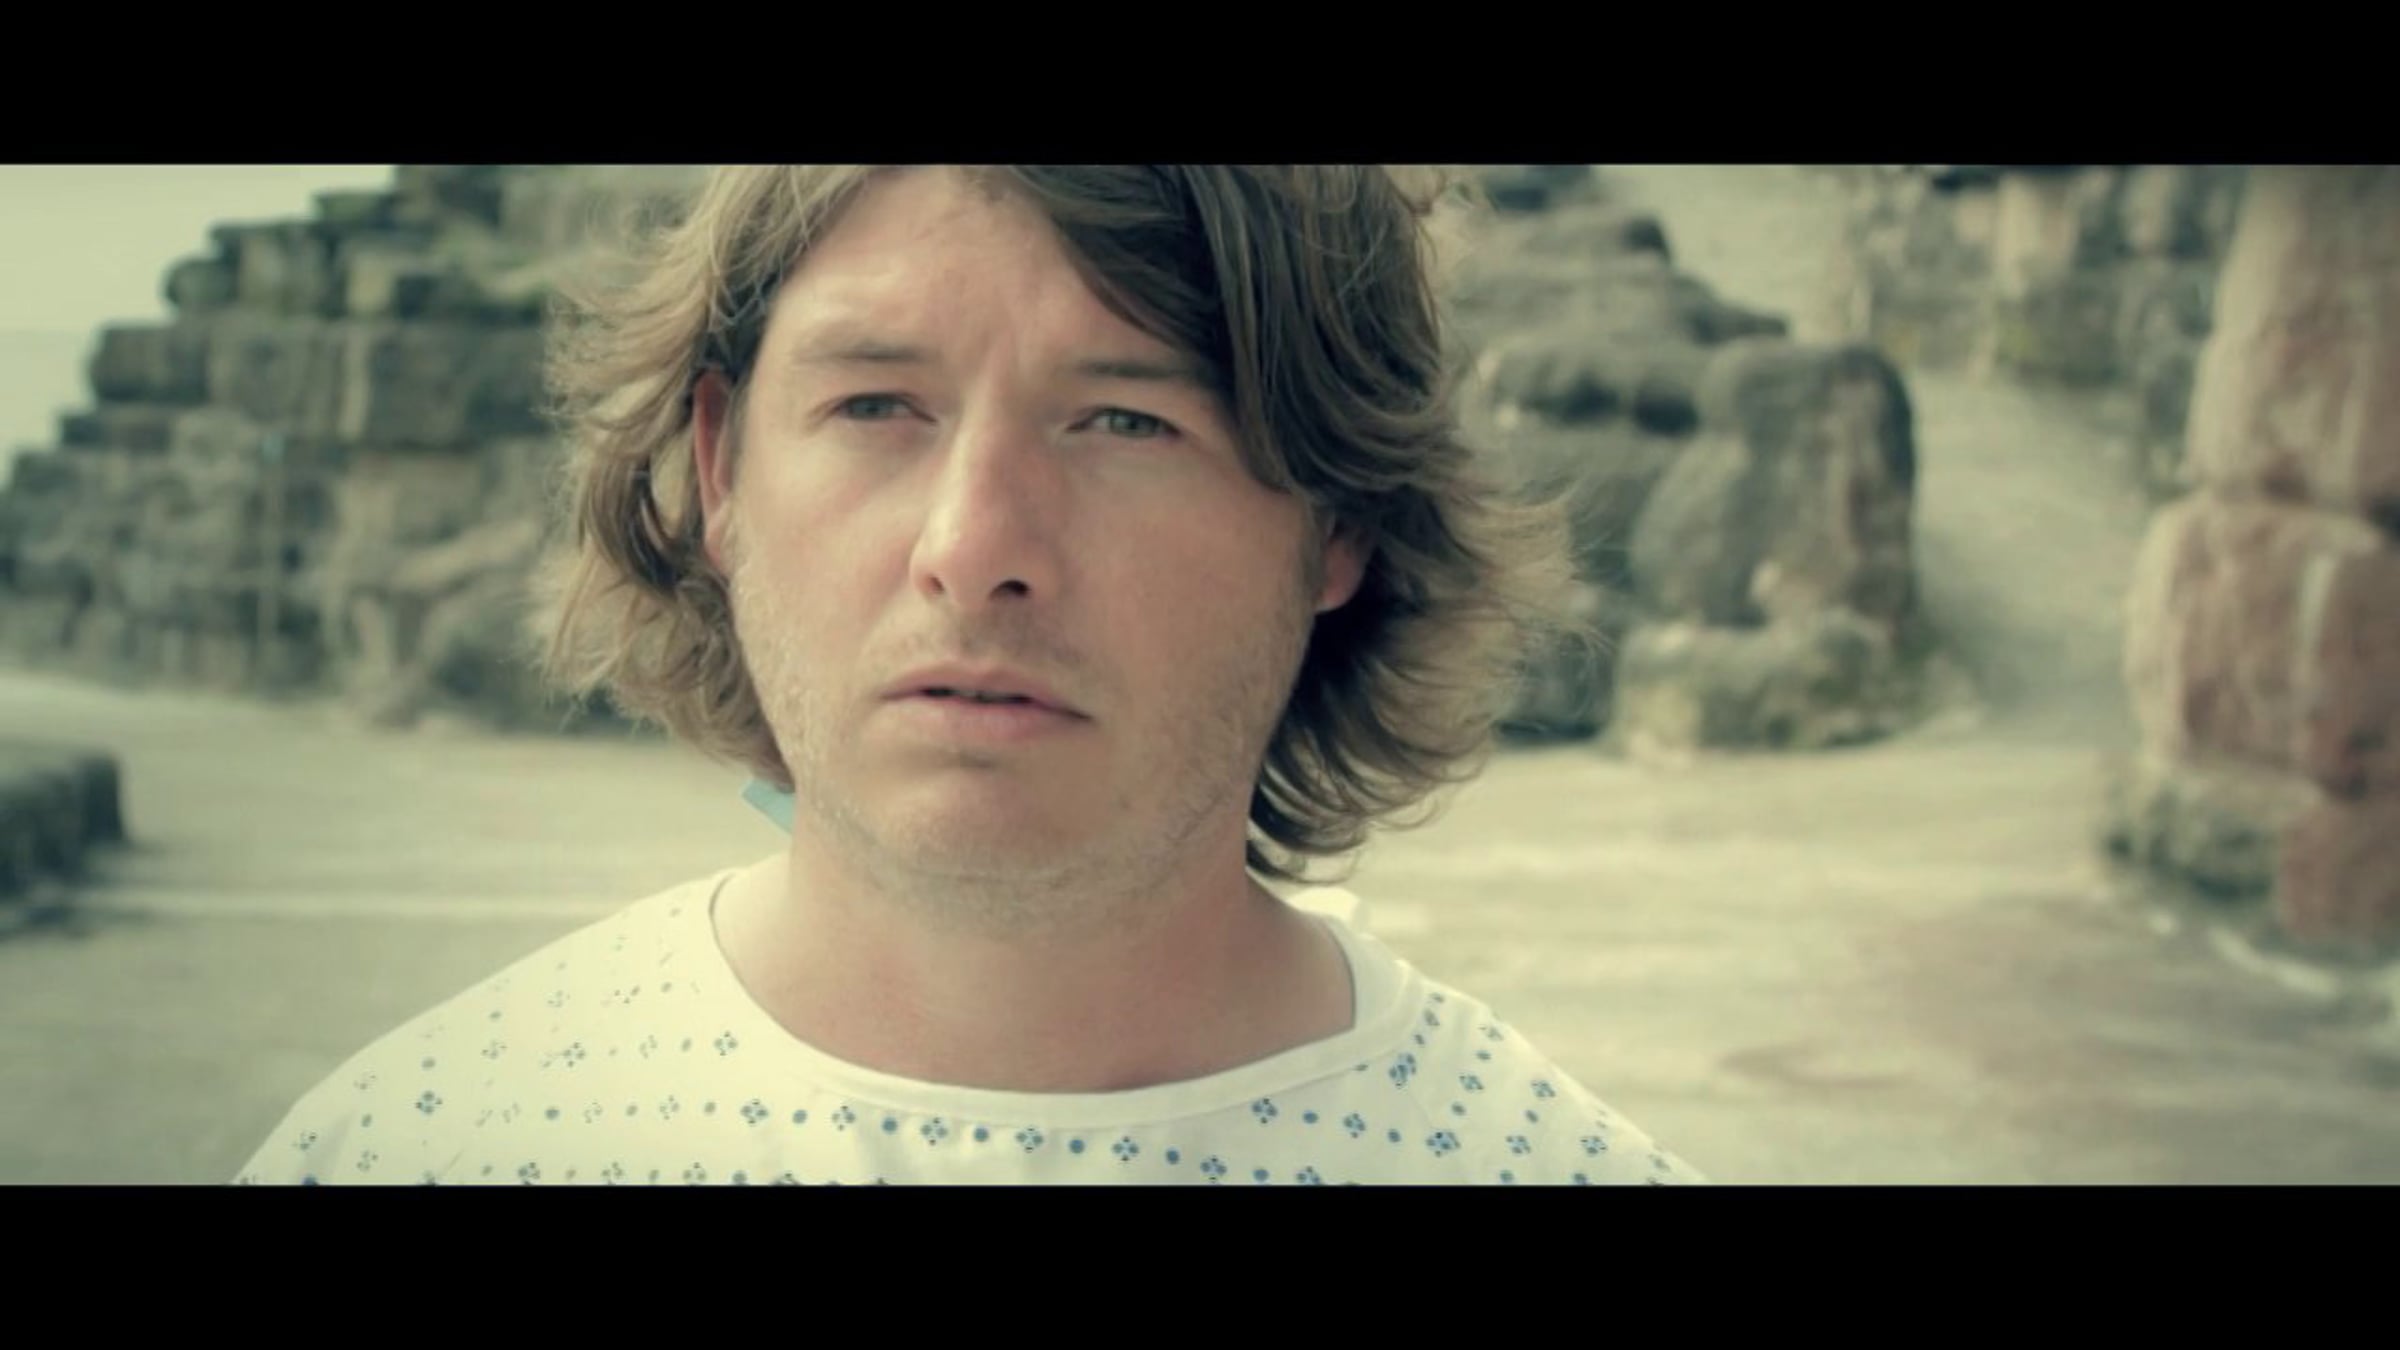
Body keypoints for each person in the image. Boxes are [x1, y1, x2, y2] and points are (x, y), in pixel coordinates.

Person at [235, 165, 1706, 1186]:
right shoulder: (427, 1145)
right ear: (720, 469)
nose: (973, 547)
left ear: (1339, 524)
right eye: (878, 404)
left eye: (1125, 423)